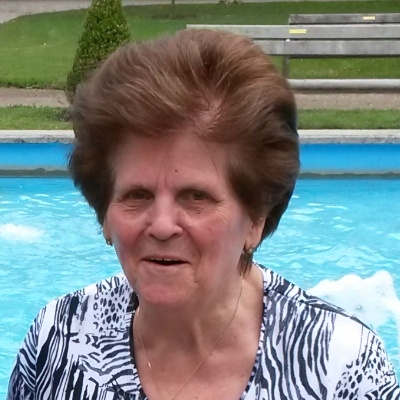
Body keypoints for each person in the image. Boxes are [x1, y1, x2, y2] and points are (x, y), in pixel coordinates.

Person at [7, 29, 400, 400]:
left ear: (256, 218)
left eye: (196, 197)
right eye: (137, 195)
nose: (162, 225)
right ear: (105, 214)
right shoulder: (57, 341)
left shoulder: (340, 367)